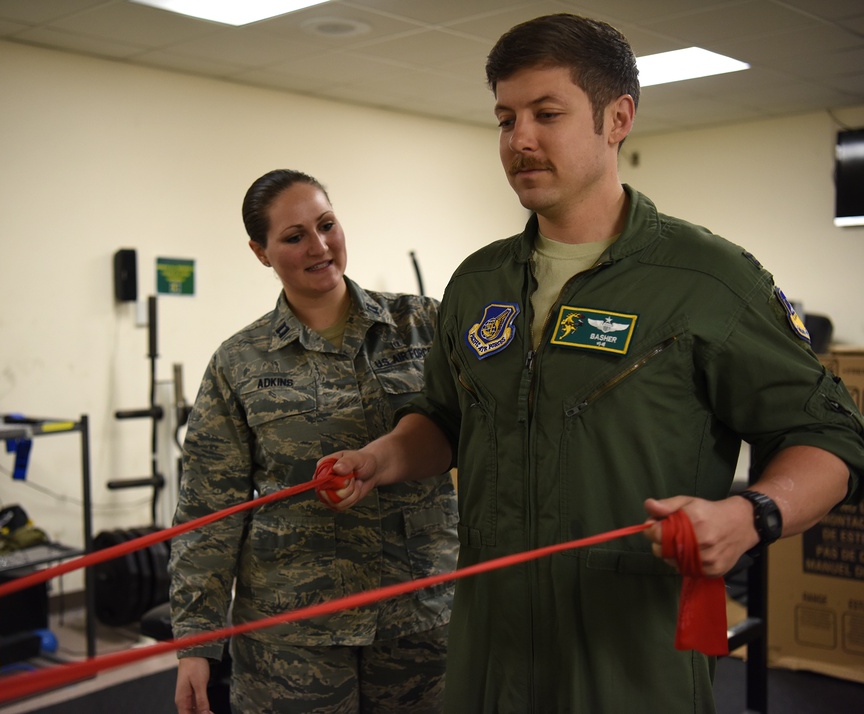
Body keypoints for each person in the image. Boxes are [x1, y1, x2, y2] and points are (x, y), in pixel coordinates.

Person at [321, 13, 864, 713]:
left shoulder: (708, 280)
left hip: (628, 659)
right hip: (490, 651)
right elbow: (447, 419)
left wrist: (751, 512)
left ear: (617, 118)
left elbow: (831, 437)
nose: (520, 139)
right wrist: (382, 458)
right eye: (505, 118)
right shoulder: (478, 282)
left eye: (547, 113)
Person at [169, 169, 459, 714]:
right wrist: (196, 640)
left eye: (327, 225)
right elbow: (210, 509)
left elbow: (480, 437)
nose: (319, 246)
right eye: (294, 236)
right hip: (294, 637)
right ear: (261, 252)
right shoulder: (240, 362)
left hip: (421, 620)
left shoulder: (422, 325)